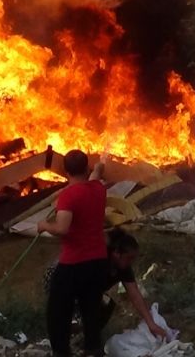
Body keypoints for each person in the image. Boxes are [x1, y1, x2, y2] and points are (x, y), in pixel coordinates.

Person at [37, 149, 109, 357]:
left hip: (73, 264)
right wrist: (99, 167)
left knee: (58, 311)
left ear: (64, 171)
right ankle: (93, 349)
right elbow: (95, 177)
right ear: (86, 168)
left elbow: (62, 229)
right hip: (97, 262)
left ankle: (62, 352)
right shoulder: (98, 189)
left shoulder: (68, 195)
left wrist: (44, 225)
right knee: (91, 309)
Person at [41, 229, 168, 344]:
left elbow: (135, 294)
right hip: (61, 278)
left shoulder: (123, 268)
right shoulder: (98, 260)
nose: (131, 262)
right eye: (129, 258)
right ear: (116, 253)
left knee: (106, 305)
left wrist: (151, 324)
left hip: (84, 287)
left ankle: (84, 339)